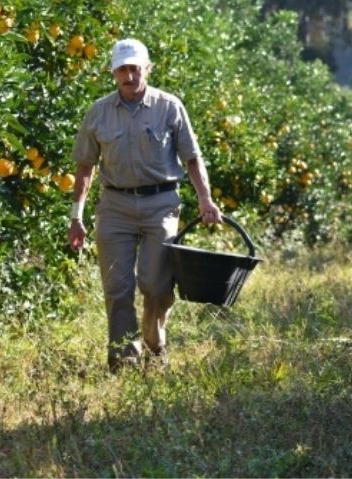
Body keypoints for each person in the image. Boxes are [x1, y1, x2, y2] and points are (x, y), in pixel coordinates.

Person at [67, 38, 222, 372]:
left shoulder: (169, 107)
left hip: (160, 204)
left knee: (156, 285)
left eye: (135, 68)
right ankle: (123, 361)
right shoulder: (99, 112)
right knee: (117, 288)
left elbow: (192, 158)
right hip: (115, 206)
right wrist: (76, 216)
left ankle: (155, 346)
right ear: (113, 73)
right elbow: (84, 167)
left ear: (147, 69)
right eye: (122, 69)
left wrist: (205, 200)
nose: (129, 75)